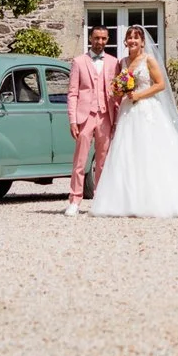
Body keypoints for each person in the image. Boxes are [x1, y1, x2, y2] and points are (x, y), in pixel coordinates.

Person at [91, 24, 178, 218]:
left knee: (151, 153)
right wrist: (118, 90)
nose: (133, 41)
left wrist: (139, 95)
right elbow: (119, 85)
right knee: (128, 154)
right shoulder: (122, 62)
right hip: (128, 112)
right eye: (130, 37)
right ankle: (129, 201)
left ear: (143, 42)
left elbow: (160, 85)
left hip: (146, 109)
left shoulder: (148, 60)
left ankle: (158, 199)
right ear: (125, 41)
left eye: (136, 38)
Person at [65, 26, 121, 216]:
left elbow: (117, 93)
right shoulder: (79, 62)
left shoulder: (114, 62)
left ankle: (100, 200)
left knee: (103, 161)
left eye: (104, 38)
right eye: (97, 38)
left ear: (107, 39)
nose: (100, 42)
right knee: (80, 161)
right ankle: (75, 200)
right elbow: (72, 93)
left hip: (106, 115)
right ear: (90, 38)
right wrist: (73, 120)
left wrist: (117, 117)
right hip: (85, 116)